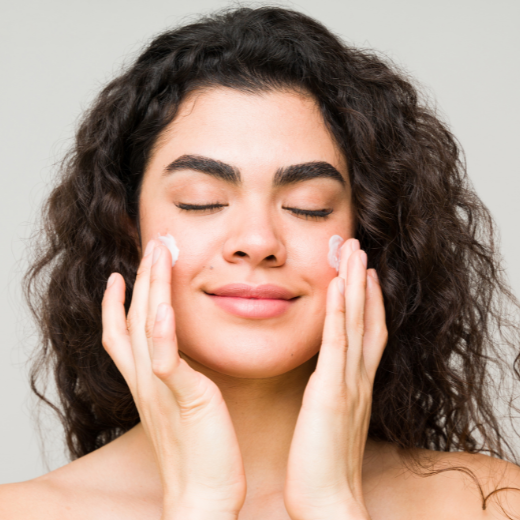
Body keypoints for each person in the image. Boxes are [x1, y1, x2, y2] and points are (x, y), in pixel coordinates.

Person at [1, 6, 519, 520]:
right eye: (200, 200)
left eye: (308, 205)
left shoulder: (495, 503)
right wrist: (199, 505)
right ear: (126, 228)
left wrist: (332, 506)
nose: (257, 241)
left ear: (370, 235)